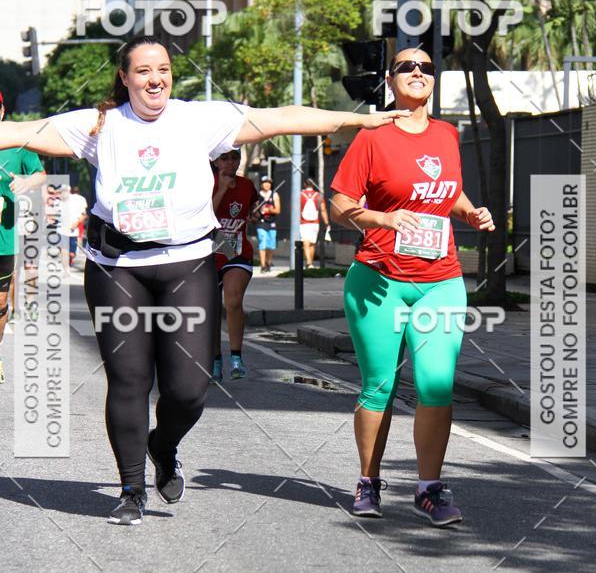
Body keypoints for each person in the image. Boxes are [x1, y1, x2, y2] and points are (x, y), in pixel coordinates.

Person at [0, 34, 408, 525]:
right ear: (125, 77)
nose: (156, 78)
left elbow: (279, 117)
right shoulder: (98, 124)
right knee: (129, 380)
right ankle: (131, 489)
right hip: (117, 268)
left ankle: (163, 445)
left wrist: (361, 118)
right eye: (144, 70)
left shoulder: (198, 119)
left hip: (187, 266)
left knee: (189, 389)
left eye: (164, 69)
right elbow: (17, 131)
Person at [330, 48, 494, 526]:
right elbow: (339, 204)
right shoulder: (373, 136)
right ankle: (368, 480)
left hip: (440, 280)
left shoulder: (446, 134)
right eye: (407, 67)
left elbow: (449, 191)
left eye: (426, 67)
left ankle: (429, 489)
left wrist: (470, 211)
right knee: (379, 386)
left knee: (436, 386)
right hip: (378, 281)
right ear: (390, 79)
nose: (418, 73)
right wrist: (383, 218)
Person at [0, 91, 46, 383]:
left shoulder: (18, 141)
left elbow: (40, 174)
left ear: (2, 110)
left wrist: (27, 181)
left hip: (4, 236)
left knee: (0, 303)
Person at [211, 147, 258, 381]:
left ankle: (236, 356)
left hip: (235, 252)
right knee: (209, 308)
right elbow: (204, 215)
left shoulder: (247, 185)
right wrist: (220, 190)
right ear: (216, 161)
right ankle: (215, 360)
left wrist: (252, 216)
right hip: (208, 252)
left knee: (233, 299)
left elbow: (250, 209)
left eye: (235, 157)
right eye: (225, 158)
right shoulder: (204, 182)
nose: (231, 162)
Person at [300, 176, 330, 268]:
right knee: (312, 243)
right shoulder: (319, 195)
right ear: (314, 185)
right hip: (315, 223)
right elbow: (323, 210)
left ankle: (308, 263)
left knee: (305, 242)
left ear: (304, 184)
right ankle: (310, 263)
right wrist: (326, 223)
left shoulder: (299, 194)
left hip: (303, 222)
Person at [58, 184, 88, 271]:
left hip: (73, 231)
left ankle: (70, 259)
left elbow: (83, 214)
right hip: (62, 230)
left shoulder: (77, 200)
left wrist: (76, 223)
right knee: (64, 250)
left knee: (72, 254)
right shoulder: (59, 201)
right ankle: (65, 268)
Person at [254, 175, 280, 273]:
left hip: (271, 223)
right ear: (261, 184)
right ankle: (263, 265)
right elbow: (254, 209)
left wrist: (269, 209)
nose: (267, 185)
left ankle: (268, 261)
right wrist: (259, 211)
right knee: (262, 242)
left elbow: (278, 210)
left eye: (269, 183)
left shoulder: (274, 195)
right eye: (265, 182)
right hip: (261, 223)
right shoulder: (257, 195)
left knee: (271, 244)